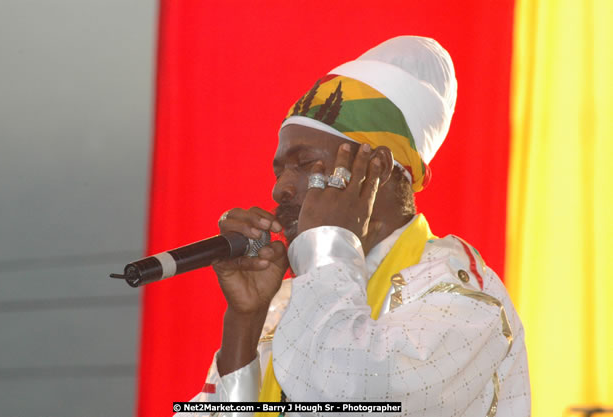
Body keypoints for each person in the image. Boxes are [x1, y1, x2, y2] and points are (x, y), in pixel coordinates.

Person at [180, 36, 530, 416]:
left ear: (375, 169)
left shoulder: (458, 291)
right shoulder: (288, 302)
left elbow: (348, 394)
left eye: (305, 163)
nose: (280, 189)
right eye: (280, 170)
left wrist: (327, 243)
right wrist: (244, 322)